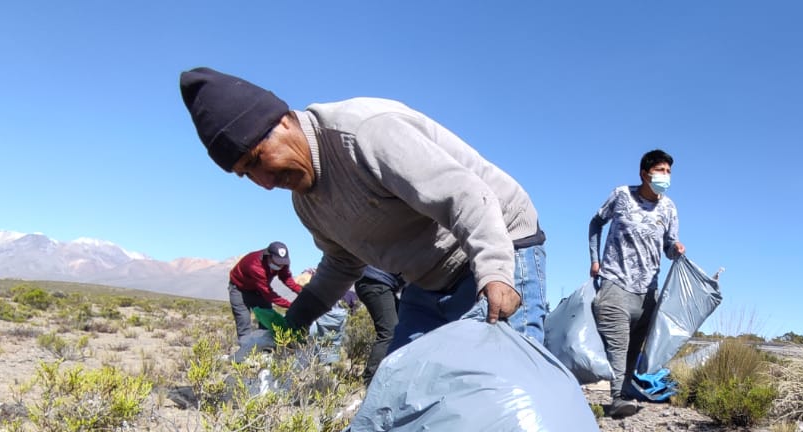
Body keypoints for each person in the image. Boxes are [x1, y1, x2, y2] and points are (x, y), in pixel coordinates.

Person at [179, 67, 547, 361]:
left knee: (506, 393)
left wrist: (497, 273)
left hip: (499, 244)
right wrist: (291, 327)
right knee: (401, 397)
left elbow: (465, 196)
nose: (264, 181)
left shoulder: (364, 133)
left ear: (285, 121)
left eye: (258, 158)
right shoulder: (308, 202)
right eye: (247, 174)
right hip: (428, 278)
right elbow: (341, 265)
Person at [588, 149, 683, 419]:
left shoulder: (669, 208)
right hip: (615, 281)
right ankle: (617, 397)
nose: (665, 176)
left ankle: (625, 388)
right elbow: (596, 222)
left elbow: (668, 246)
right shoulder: (621, 195)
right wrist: (595, 259)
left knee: (633, 348)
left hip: (648, 291)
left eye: (669, 172)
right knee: (618, 344)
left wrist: (675, 249)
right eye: (661, 171)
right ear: (644, 173)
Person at [227, 241, 303, 339]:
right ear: (268, 256)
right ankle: (246, 349)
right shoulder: (255, 266)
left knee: (267, 320)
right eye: (277, 263)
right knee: (244, 322)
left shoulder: (282, 262)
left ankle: (265, 350)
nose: (280, 266)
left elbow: (286, 278)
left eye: (282, 263)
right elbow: (268, 294)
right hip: (239, 289)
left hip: (258, 290)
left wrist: (302, 293)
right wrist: (291, 306)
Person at [353, 265, 402, 382]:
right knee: (389, 333)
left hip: (376, 282)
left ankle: (393, 373)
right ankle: (370, 379)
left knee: (401, 327)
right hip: (375, 282)